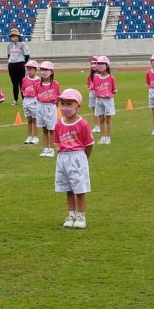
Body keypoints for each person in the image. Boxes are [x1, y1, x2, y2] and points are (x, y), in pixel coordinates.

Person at [55, 88, 95, 229]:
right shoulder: (59, 123)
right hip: (63, 157)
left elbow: (89, 144)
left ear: (78, 105)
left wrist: (84, 158)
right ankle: (71, 214)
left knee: (79, 188)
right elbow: (58, 142)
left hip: (77, 156)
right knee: (68, 188)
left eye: (69, 104)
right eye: (63, 103)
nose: (65, 107)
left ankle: (80, 215)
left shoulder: (83, 124)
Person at [36, 62, 61, 158]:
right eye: (42, 70)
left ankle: (51, 149)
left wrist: (54, 106)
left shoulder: (55, 84)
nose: (44, 72)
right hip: (40, 106)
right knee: (44, 128)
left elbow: (58, 96)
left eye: (46, 70)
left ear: (51, 72)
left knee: (51, 129)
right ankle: (45, 148)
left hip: (50, 107)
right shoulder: (38, 84)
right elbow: (37, 96)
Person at [91, 55, 116, 144]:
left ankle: (108, 137)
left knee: (108, 119)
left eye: (102, 63)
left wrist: (108, 95)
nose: (100, 65)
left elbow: (114, 90)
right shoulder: (96, 78)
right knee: (101, 119)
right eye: (98, 63)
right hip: (99, 100)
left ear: (107, 65)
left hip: (108, 100)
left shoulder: (111, 77)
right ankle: (102, 137)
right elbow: (94, 89)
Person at [6, 28, 30, 105]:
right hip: (11, 65)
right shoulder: (9, 46)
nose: (13, 37)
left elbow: (27, 55)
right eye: (12, 36)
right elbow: (9, 55)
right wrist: (11, 63)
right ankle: (15, 100)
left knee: (21, 83)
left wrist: (23, 64)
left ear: (18, 36)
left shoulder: (23, 45)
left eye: (15, 36)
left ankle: (23, 100)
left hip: (20, 64)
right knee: (14, 83)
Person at [21, 60, 41, 144]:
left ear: (35, 69)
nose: (29, 71)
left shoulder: (39, 80)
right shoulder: (24, 79)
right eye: (27, 69)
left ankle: (35, 137)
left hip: (34, 100)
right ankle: (29, 136)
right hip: (26, 100)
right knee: (29, 120)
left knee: (34, 119)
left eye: (31, 69)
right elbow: (23, 89)